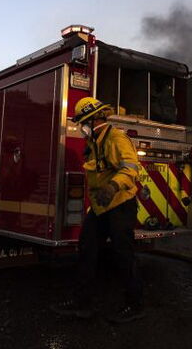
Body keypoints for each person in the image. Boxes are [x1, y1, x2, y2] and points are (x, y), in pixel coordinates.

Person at [51, 97, 145, 324]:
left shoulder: (116, 138)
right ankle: (82, 303)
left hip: (120, 204)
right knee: (87, 249)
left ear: (93, 120)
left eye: (83, 123)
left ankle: (134, 305)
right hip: (101, 206)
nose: (81, 128)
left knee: (123, 254)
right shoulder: (95, 142)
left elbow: (131, 168)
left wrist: (112, 187)